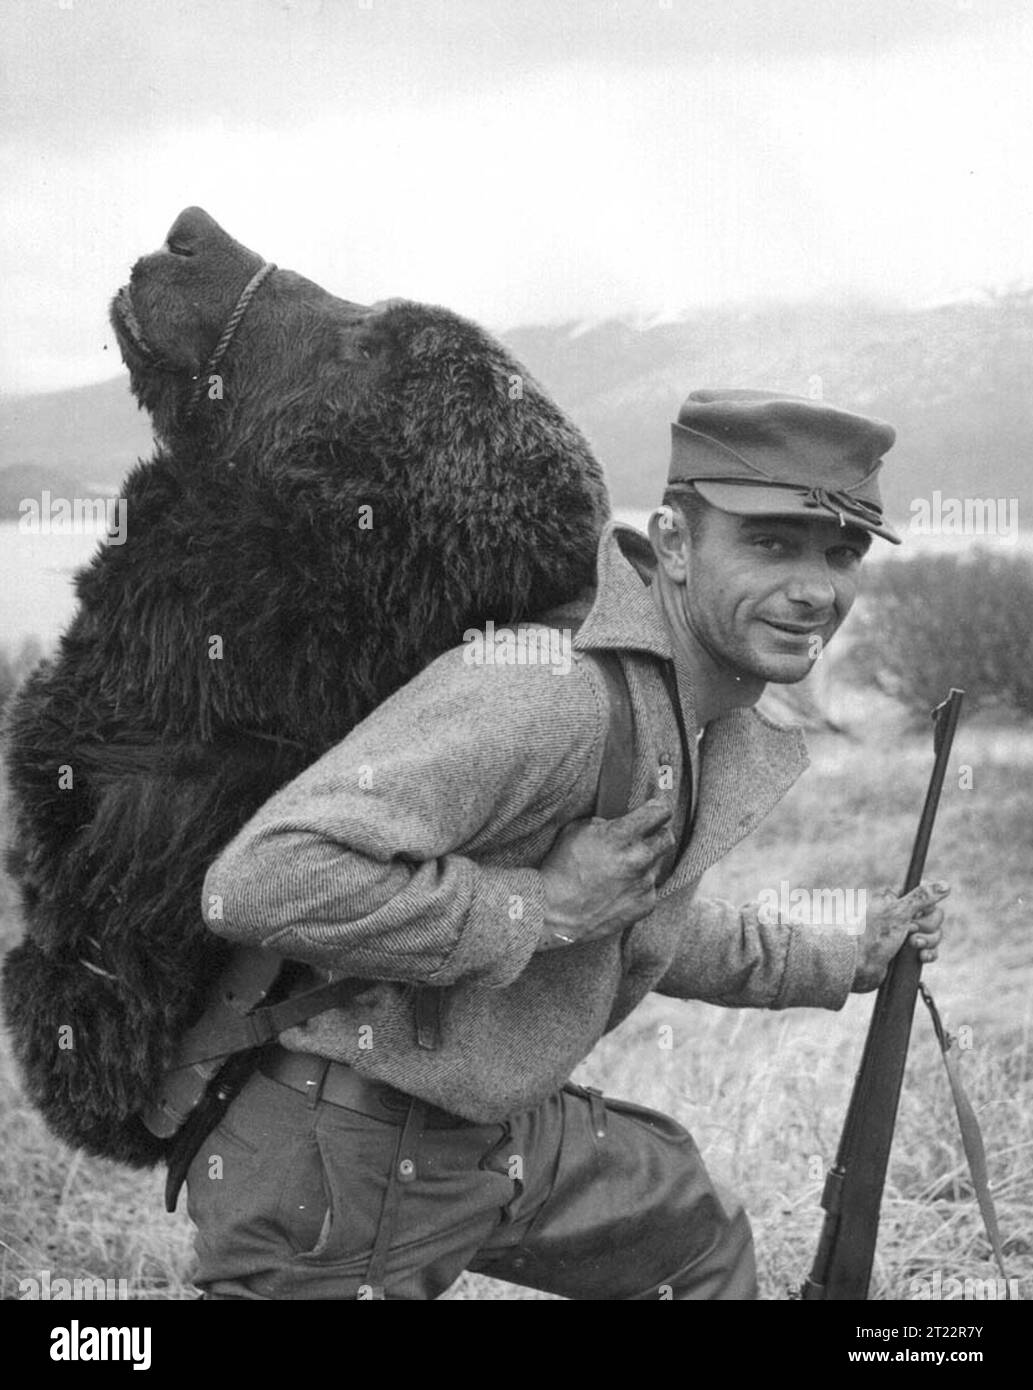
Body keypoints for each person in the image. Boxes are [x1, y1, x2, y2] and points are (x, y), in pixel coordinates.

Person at [190, 387, 947, 1301]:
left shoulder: (676, 701)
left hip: (490, 1129)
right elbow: (262, 880)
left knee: (689, 1233)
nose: (814, 589)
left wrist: (839, 955)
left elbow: (635, 917)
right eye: (770, 544)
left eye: (840, 553)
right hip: (338, 1158)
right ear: (671, 543)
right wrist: (537, 907)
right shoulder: (555, 695)